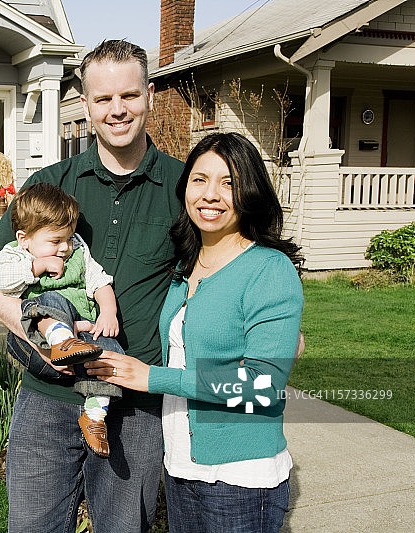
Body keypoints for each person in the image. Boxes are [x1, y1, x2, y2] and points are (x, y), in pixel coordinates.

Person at [0, 39, 184, 532]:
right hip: (48, 399)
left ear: (149, 95)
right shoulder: (52, 185)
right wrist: (39, 339)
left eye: (128, 95)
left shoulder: (182, 186)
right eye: (103, 99)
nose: (117, 110)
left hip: (134, 405)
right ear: (84, 104)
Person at [86, 132, 304, 533]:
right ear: (184, 187)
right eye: (200, 179)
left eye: (229, 183)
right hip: (181, 468)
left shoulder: (268, 268)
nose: (211, 194)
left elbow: (261, 385)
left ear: (249, 191)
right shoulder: (184, 266)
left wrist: (152, 377)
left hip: (240, 477)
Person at [0, 182, 124, 458]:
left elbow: (99, 281)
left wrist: (108, 312)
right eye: (55, 241)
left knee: (111, 357)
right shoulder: (16, 254)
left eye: (69, 238)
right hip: (45, 335)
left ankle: (95, 416)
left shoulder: (79, 252)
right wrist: (37, 266)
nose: (64, 248)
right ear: (25, 239)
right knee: (51, 302)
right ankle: (62, 342)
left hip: (84, 333)